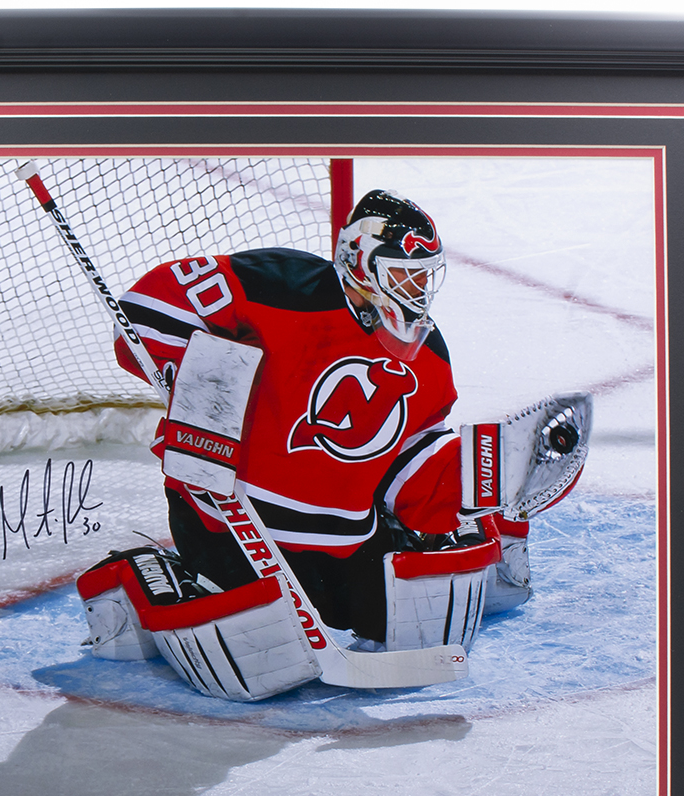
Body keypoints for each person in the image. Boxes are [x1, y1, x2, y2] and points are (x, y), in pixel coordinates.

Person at [107, 189, 499, 644]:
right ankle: (145, 578)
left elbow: (407, 464)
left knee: (404, 628)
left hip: (340, 544)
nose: (417, 290)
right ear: (360, 260)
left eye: (423, 276)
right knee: (253, 642)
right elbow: (142, 312)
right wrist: (205, 377)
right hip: (225, 523)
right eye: (402, 273)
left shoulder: (428, 354)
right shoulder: (279, 285)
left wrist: (483, 482)